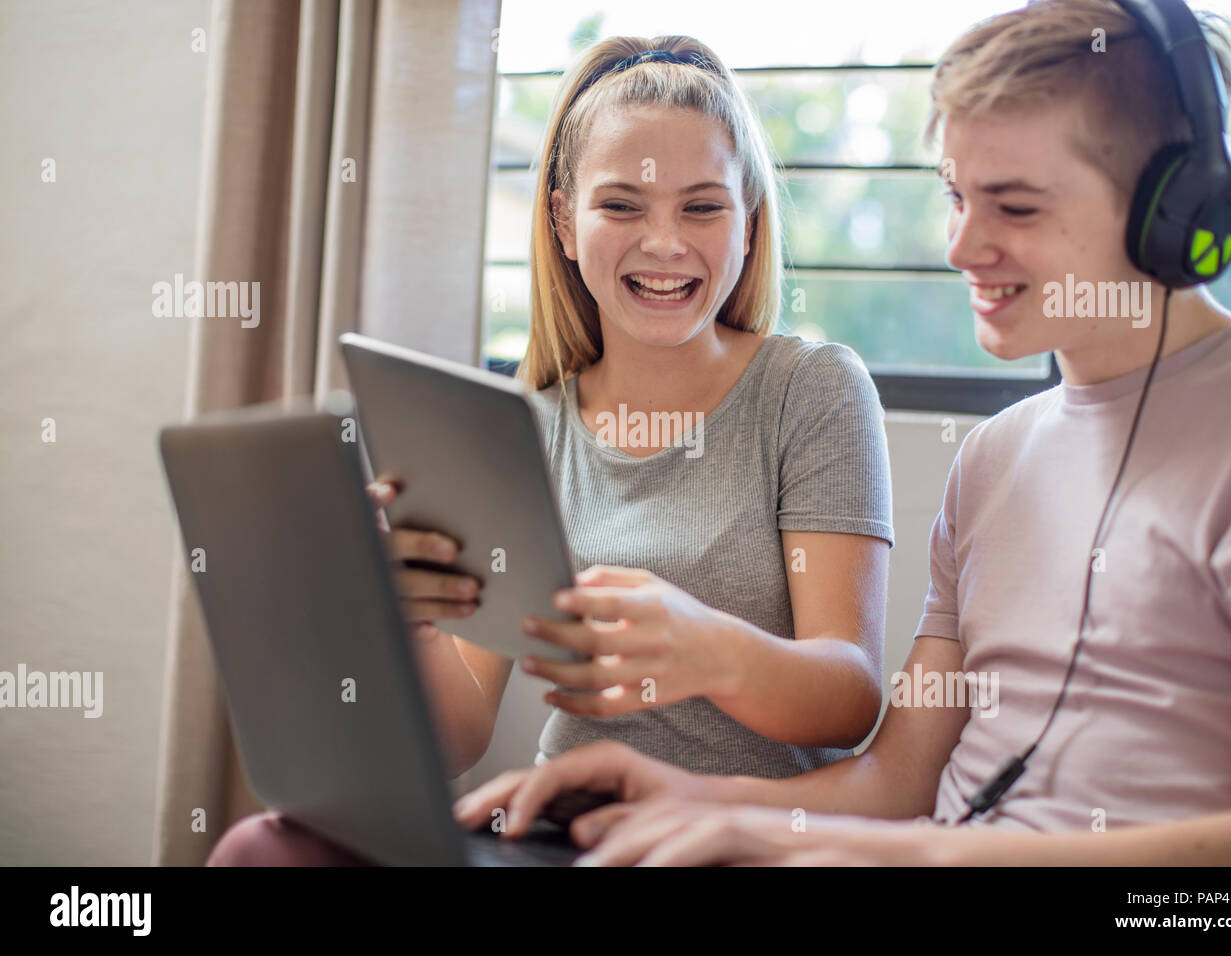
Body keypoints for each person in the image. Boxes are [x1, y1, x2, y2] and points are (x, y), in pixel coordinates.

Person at [453, 0, 1231, 866]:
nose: (962, 246)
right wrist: (697, 806)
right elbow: (899, 785)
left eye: (1013, 205)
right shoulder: (995, 459)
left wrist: (915, 858)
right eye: (956, 197)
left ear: (1174, 205)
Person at [207, 35, 894, 865]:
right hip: (560, 828)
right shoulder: (521, 428)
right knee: (262, 848)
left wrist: (706, 649)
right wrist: (409, 625)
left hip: (733, 838)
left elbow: (850, 695)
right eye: (623, 206)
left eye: (703, 207)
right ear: (565, 222)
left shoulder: (812, 390)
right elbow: (459, 733)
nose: (667, 243)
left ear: (749, 221)